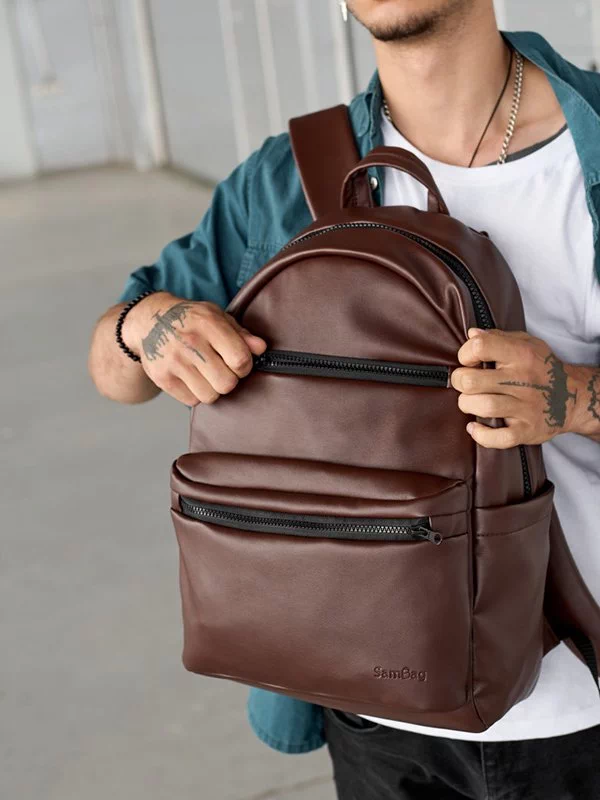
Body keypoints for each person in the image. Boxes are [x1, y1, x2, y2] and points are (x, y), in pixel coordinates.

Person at [88, 1, 600, 797]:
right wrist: (146, 326)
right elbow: (114, 368)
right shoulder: (287, 176)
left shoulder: (584, 147)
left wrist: (572, 397)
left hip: (582, 704)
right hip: (368, 702)